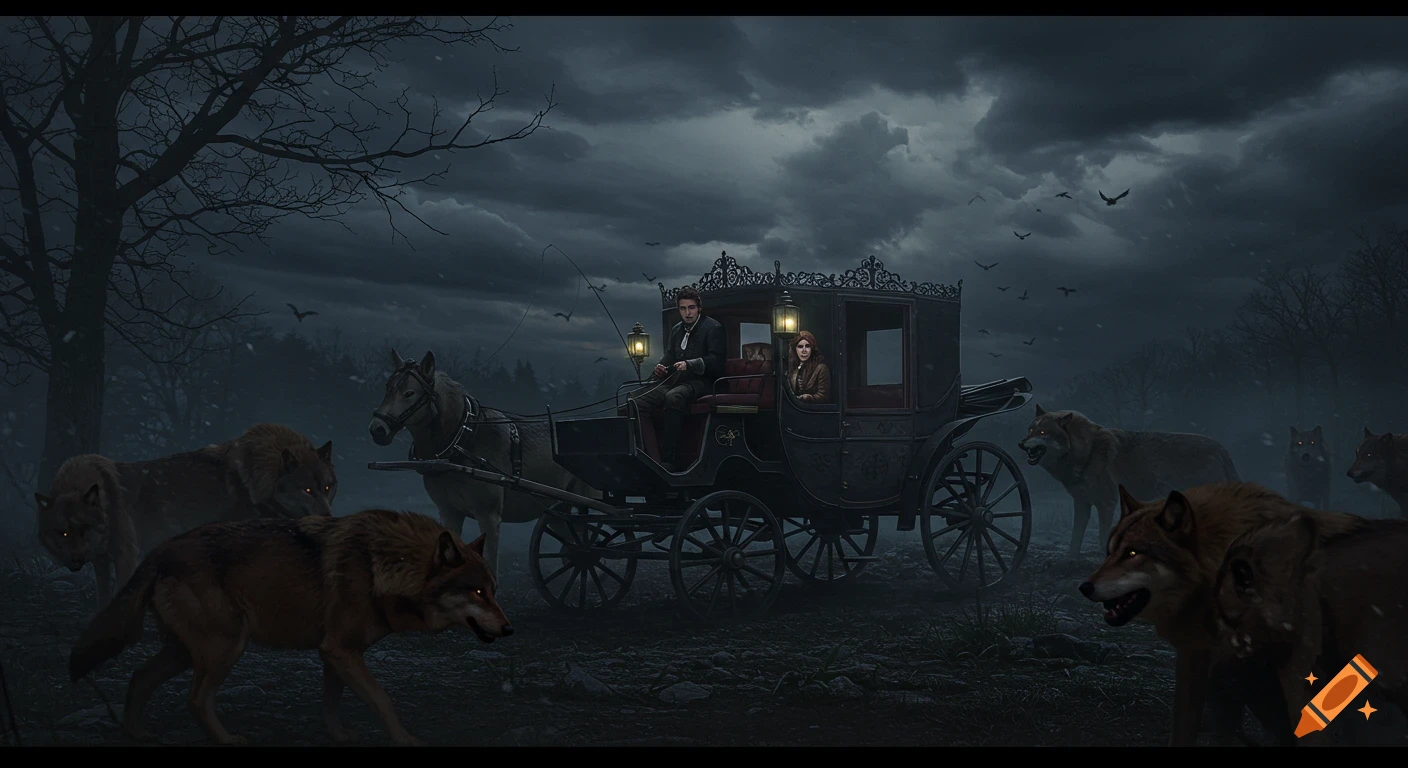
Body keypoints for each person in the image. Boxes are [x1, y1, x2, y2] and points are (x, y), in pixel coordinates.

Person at [624, 288, 725, 471]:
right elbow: (670, 356)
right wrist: (661, 367)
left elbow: (716, 361)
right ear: (679, 310)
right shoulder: (677, 330)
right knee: (636, 401)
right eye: (683, 308)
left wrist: (690, 364)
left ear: (699, 308)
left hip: (703, 383)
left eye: (691, 308)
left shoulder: (713, 328)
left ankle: (669, 459)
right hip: (677, 382)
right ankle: (648, 455)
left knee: (674, 396)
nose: (687, 313)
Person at [788, 330, 830, 404]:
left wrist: (809, 397)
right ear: (795, 349)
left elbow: (824, 396)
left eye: (807, 346)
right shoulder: (793, 370)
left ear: (812, 349)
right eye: (800, 347)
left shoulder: (821, 369)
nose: (804, 350)